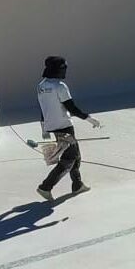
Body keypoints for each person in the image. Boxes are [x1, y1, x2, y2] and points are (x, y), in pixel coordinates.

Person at [36, 55, 100, 201]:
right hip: (65, 127)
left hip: (52, 126)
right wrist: (89, 118)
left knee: (75, 155)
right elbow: (71, 108)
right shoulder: (60, 87)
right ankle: (45, 187)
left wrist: (44, 127)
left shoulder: (41, 86)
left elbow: (43, 108)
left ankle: (77, 185)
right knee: (69, 158)